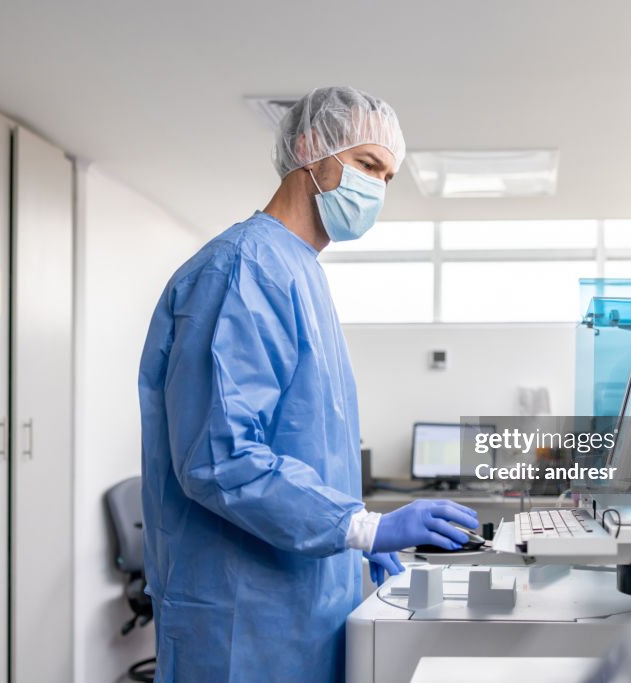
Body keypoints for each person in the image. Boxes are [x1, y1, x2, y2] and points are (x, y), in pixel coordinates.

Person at [138, 86, 479, 682]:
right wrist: (365, 525)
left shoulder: (300, 274)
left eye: (388, 176)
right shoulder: (243, 270)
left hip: (301, 603)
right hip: (240, 617)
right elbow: (220, 459)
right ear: (307, 149)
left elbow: (302, 450)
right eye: (367, 164)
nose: (377, 187)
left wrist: (354, 532)